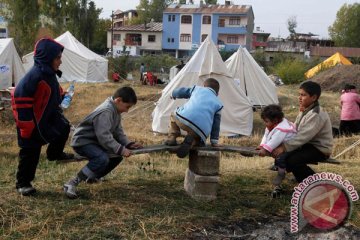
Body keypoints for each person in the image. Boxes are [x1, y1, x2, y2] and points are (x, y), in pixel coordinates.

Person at [11, 38, 74, 196]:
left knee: (64, 127)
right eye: (58, 57)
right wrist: (26, 125)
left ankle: (54, 153)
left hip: (46, 117)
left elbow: (52, 91)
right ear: (47, 57)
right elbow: (19, 97)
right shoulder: (35, 76)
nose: (61, 61)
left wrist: (61, 94)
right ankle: (23, 183)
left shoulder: (49, 74)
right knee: (30, 153)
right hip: (31, 122)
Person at [63, 87, 143, 199]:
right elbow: (104, 136)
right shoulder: (106, 111)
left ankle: (92, 177)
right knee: (102, 158)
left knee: (116, 156)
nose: (127, 110)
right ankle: (72, 183)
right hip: (82, 142)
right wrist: (121, 149)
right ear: (118, 100)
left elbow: (118, 132)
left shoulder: (115, 110)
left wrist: (128, 144)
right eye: (127, 106)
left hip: (94, 142)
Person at [272, 81, 333, 184]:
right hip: (307, 145)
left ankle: (315, 184)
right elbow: (295, 128)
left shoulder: (316, 114)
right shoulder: (305, 109)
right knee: (286, 157)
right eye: (299, 94)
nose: (299, 97)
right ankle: (301, 176)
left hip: (320, 149)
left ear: (314, 97)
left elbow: (302, 136)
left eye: (303, 95)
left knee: (293, 160)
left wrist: (284, 147)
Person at [164, 78, 223, 158]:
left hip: (184, 119)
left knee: (173, 115)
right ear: (217, 93)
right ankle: (193, 142)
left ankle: (172, 137)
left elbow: (182, 92)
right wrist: (214, 141)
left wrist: (173, 94)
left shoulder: (197, 89)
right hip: (201, 130)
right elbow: (216, 125)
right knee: (198, 139)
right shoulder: (219, 104)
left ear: (204, 86)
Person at [257, 105, 296, 197]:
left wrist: (265, 150)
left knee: (280, 157)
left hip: (290, 146)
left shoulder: (281, 129)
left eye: (266, 121)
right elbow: (266, 135)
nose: (264, 123)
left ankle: (281, 173)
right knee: (275, 151)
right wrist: (262, 145)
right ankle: (277, 166)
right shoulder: (272, 124)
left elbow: (275, 140)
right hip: (282, 143)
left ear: (275, 121)